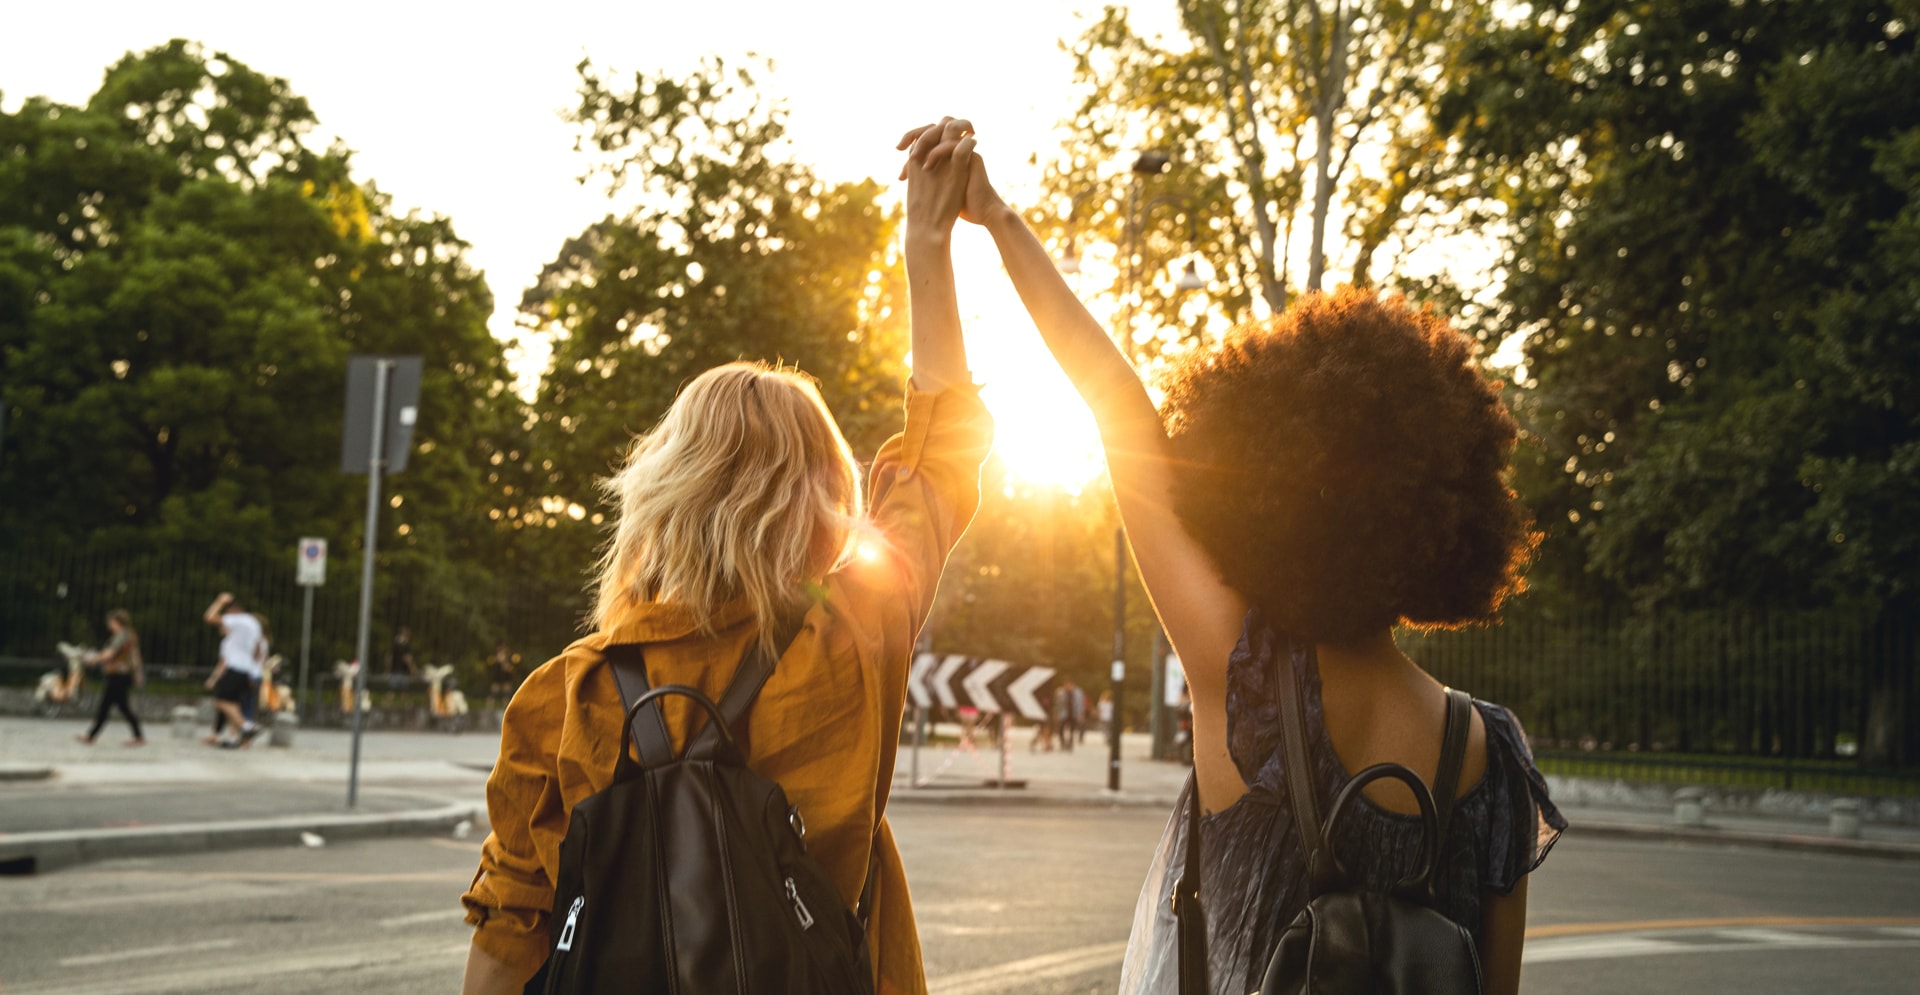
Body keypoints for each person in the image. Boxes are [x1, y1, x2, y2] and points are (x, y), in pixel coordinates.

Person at [910, 128, 1564, 995]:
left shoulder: (1243, 678)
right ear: (1445, 512)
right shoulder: (1496, 756)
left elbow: (1118, 409)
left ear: (1271, 501)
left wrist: (989, 221)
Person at [459, 117, 992, 995]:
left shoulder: (563, 695)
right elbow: (945, 449)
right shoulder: (850, 637)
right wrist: (925, 241)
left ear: (665, 490)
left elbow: (512, 925)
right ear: (821, 500)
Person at [202, 592, 263, 747]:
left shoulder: (237, 620)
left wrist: (219, 601)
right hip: (247, 669)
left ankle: (247, 727)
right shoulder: (253, 622)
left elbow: (209, 617)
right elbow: (257, 650)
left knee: (222, 702)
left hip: (235, 668)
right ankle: (234, 738)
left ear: (231, 610)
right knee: (234, 705)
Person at [77, 609, 145, 746]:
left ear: (117, 622)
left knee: (109, 706)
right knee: (119, 707)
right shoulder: (129, 636)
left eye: (111, 622)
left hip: (119, 675)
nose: (109, 624)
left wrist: (93, 659)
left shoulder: (121, 636)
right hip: (121, 675)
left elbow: (109, 654)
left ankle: (91, 736)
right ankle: (138, 736)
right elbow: (135, 657)